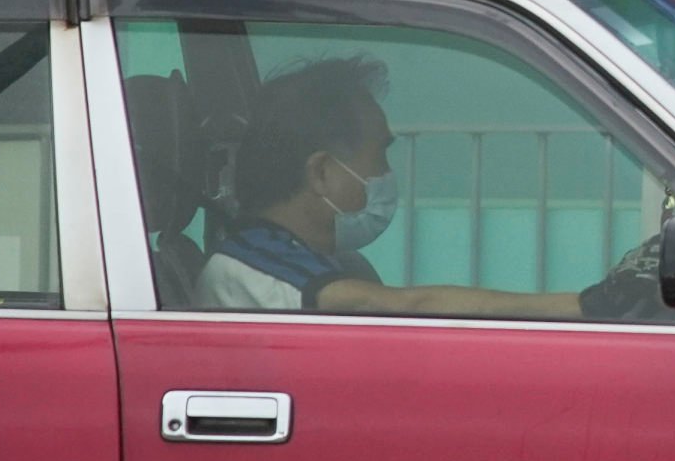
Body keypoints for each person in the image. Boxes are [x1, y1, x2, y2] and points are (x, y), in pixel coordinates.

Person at [199, 54, 622, 318]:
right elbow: (403, 307)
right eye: (379, 153)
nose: (386, 173)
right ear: (322, 172)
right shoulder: (256, 263)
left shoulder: (325, 260)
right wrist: (587, 306)